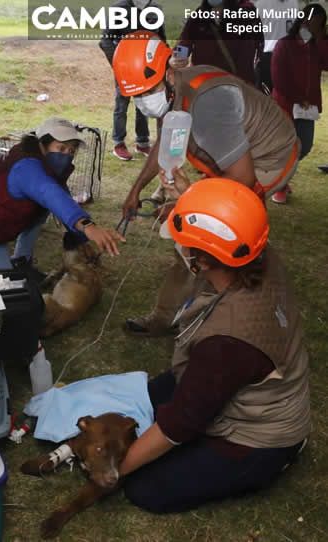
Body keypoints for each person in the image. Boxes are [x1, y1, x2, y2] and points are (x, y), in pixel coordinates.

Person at [119, 178, 310, 513]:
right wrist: (195, 199)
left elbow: (180, 425)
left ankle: (278, 459)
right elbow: (232, 225)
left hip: (263, 437)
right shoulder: (256, 253)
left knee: (144, 486)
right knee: (154, 394)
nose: (177, 248)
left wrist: (113, 471)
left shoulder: (226, 343)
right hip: (261, 387)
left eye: (182, 244)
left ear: (202, 262)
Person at [112, 31, 300, 336]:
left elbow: (242, 180)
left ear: (169, 72)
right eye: (137, 96)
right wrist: (136, 191)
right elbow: (165, 142)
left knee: (216, 242)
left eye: (148, 91)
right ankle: (170, 317)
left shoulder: (207, 107)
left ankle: (226, 320)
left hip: (270, 159)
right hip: (239, 157)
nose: (143, 101)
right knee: (191, 239)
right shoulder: (175, 93)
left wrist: (184, 202)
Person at [0, 118, 124, 275]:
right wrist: (87, 226)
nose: (66, 155)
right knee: (1, 284)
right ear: (43, 144)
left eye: (71, 151)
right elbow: (51, 193)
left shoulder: (45, 164)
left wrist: (85, 233)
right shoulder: (27, 167)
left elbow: (61, 200)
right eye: (61, 148)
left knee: (41, 209)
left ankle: (21, 260)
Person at [270, 2, 327, 203]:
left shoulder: (317, 46)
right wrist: (297, 97)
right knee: (287, 146)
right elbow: (278, 78)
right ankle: (280, 185)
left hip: (307, 108)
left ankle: (281, 177)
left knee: (306, 145)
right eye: (312, 21)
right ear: (303, 21)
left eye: (320, 23)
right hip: (285, 105)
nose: (314, 26)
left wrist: (320, 40)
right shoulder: (284, 44)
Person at [99, 0, 166, 161]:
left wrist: (162, 64)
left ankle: (142, 142)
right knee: (122, 104)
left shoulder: (156, 9)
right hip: (125, 68)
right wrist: (119, 65)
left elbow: (161, 39)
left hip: (147, 69)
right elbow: (105, 41)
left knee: (143, 104)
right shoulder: (119, 8)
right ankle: (118, 143)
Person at [172, 0, 264, 86]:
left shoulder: (247, 12)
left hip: (239, 87)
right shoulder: (199, 16)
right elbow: (184, 43)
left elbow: (258, 44)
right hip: (205, 86)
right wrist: (178, 57)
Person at [254, 0, 300, 93]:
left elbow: (294, 28)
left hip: (288, 56)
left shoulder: (293, 3)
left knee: (287, 96)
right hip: (268, 57)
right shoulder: (260, 5)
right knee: (267, 98)